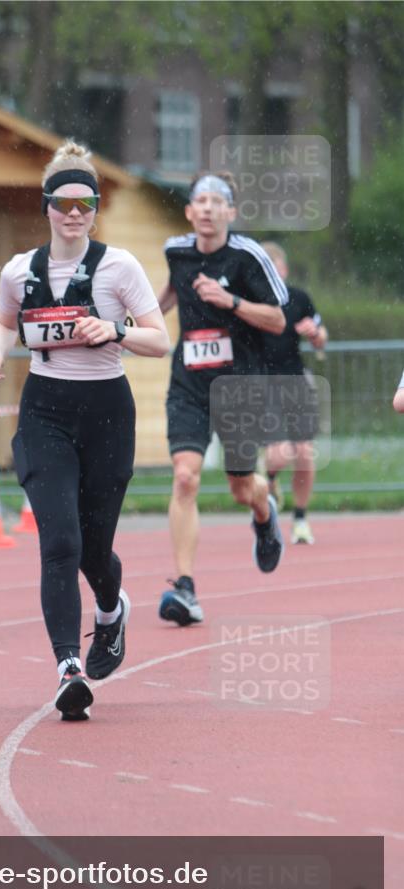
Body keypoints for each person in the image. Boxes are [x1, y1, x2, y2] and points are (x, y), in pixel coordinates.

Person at [0, 140, 170, 720]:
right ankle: (68, 667)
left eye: (85, 203)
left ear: (95, 208)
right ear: (46, 206)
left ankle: (111, 610)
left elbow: (159, 340)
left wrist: (112, 329)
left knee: (93, 548)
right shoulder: (20, 271)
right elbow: (3, 321)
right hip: (45, 412)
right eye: (63, 202)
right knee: (59, 540)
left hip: (108, 412)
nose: (74, 213)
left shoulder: (120, 267)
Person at [157, 171, 288, 627]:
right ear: (190, 212)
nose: (209, 209)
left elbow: (276, 320)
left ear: (231, 211)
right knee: (186, 477)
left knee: (240, 487)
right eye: (201, 201)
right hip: (189, 385)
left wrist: (229, 300)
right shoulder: (176, 252)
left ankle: (263, 508)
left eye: (218, 201)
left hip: (239, 387)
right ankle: (185, 588)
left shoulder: (247, 256)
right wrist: (130, 320)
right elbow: (166, 300)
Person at [260, 242, 329, 545]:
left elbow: (322, 337)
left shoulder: (299, 299)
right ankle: (271, 480)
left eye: (275, 269)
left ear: (284, 271)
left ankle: (300, 519)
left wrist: (315, 334)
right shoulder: (249, 303)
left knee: (303, 452)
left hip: (296, 380)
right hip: (262, 383)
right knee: (280, 453)